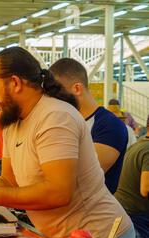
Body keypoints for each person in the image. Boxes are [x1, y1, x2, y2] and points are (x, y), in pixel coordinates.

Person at [0, 47, 134, 238]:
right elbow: (8, 180)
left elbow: (58, 192)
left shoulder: (55, 117)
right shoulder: (13, 123)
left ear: (15, 83)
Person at [49, 59, 128, 194]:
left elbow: (84, 176)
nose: (54, 99)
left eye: (57, 93)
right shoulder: (62, 121)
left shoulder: (110, 125)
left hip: (97, 212)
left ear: (77, 89)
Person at [115, 115, 149, 238]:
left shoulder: (138, 145)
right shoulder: (147, 150)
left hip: (124, 213)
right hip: (137, 218)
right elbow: (146, 188)